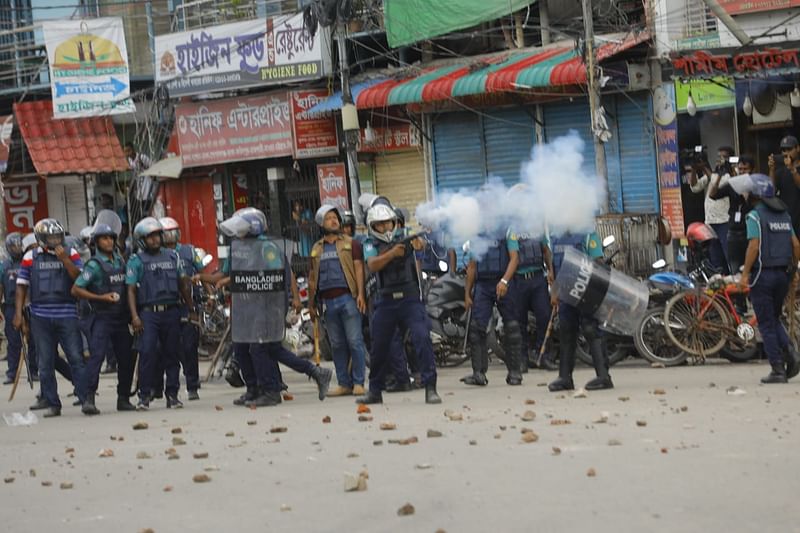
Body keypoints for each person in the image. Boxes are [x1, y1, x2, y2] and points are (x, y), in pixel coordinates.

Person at [219, 207, 332, 406]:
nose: (239, 232)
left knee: (259, 349)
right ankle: (256, 388)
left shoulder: (266, 247)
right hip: (246, 307)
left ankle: (271, 391)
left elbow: (275, 277)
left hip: (266, 306)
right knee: (247, 347)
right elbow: (231, 273)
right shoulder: (240, 247)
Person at [357, 203, 441, 404]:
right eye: (380, 225)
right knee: (379, 348)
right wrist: (392, 253)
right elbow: (372, 264)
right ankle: (375, 391)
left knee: (422, 339)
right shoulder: (369, 243)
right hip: (385, 301)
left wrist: (419, 245)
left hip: (410, 298)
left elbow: (420, 245)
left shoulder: (406, 235)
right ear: (372, 226)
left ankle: (431, 387)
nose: (386, 228)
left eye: (388, 223)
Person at [13, 218, 93, 418]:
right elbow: (21, 286)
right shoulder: (30, 257)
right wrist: (18, 314)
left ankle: (85, 400)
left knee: (76, 357)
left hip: (67, 314)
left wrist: (65, 259)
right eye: (51, 237)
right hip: (40, 316)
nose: (56, 240)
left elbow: (80, 279)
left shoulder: (71, 252)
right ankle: (52, 403)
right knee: (45, 362)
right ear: (41, 238)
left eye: (58, 236)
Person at [126, 217, 193, 410]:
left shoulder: (172, 257)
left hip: (171, 311)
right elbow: (130, 290)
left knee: (172, 353)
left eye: (157, 235)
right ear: (141, 240)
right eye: (150, 237)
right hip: (148, 314)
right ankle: (144, 396)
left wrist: (190, 308)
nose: (155, 240)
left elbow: (182, 284)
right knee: (147, 353)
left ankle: (172, 394)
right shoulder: (136, 261)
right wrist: (135, 317)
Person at [739, 173, 800, 384]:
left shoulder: (755, 216)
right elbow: (796, 245)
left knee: (765, 324)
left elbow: (754, 245)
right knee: (773, 319)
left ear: (755, 195)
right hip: (782, 275)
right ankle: (791, 353)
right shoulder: (784, 215)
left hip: (762, 276)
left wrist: (745, 274)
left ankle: (777, 369)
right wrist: (794, 271)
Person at [71, 223, 136, 412]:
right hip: (102, 317)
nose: (108, 241)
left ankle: (123, 398)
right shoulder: (94, 265)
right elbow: (76, 289)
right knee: (97, 357)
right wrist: (101, 297)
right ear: (97, 242)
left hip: (121, 318)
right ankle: (89, 398)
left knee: (126, 358)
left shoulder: (121, 262)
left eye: (110, 238)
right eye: (104, 238)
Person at [308, 205, 369, 397]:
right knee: (337, 344)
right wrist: (311, 304)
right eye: (329, 218)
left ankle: (359, 382)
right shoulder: (316, 249)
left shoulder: (352, 244)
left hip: (348, 299)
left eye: (335, 217)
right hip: (327, 302)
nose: (334, 221)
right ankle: (344, 383)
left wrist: (360, 294)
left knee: (355, 341)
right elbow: (311, 278)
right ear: (321, 223)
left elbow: (359, 269)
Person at [548, 231, 614, 392]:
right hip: (566, 293)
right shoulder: (555, 237)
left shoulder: (587, 234)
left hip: (586, 290)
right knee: (566, 331)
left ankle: (604, 376)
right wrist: (555, 292)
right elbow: (555, 268)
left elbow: (598, 264)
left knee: (591, 330)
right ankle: (565, 377)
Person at [462, 231, 523, 387]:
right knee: (477, 329)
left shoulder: (507, 230)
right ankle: (479, 374)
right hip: (483, 285)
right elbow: (472, 265)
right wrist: (467, 293)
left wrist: (504, 281)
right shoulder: (477, 233)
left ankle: (515, 372)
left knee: (512, 328)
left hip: (504, 282)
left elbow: (514, 258)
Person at [159, 217, 204, 401]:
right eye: (166, 233)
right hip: (167, 306)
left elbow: (201, 272)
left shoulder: (189, 251)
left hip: (188, 304)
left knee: (190, 346)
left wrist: (208, 295)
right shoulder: (155, 256)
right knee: (169, 347)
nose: (171, 237)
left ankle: (192, 385)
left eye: (173, 232)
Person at [508, 227, 556, 372]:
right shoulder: (513, 231)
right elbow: (513, 256)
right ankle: (522, 359)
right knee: (519, 321)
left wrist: (551, 271)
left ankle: (543, 356)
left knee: (544, 316)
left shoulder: (537, 228)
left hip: (537, 279)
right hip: (519, 280)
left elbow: (546, 251)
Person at [689, 146, 734, 273]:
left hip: (724, 221)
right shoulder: (712, 174)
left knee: (728, 255)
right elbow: (694, 187)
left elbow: (717, 183)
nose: (720, 159)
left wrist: (704, 168)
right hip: (710, 223)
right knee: (715, 258)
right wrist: (694, 169)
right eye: (718, 156)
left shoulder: (730, 175)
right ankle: (721, 283)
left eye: (723, 157)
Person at [709, 155, 755, 275]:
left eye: (745, 169)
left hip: (750, 232)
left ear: (751, 170)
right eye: (740, 169)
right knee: (735, 269)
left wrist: (748, 195)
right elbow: (712, 195)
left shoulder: (756, 184)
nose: (742, 172)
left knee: (752, 268)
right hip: (733, 232)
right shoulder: (733, 184)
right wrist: (719, 176)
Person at [1, 233, 24, 385]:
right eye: (13, 246)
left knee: (33, 340)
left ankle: (34, 370)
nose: (16, 248)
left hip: (28, 305)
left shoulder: (28, 261)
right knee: (13, 340)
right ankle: (12, 372)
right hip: (9, 305)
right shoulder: (4, 266)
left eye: (18, 245)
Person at [769, 135, 800, 236]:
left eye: (789, 149)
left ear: (798, 148)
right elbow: (771, 191)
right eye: (783, 150)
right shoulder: (780, 171)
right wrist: (772, 169)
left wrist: (792, 170)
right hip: (786, 218)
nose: (786, 153)